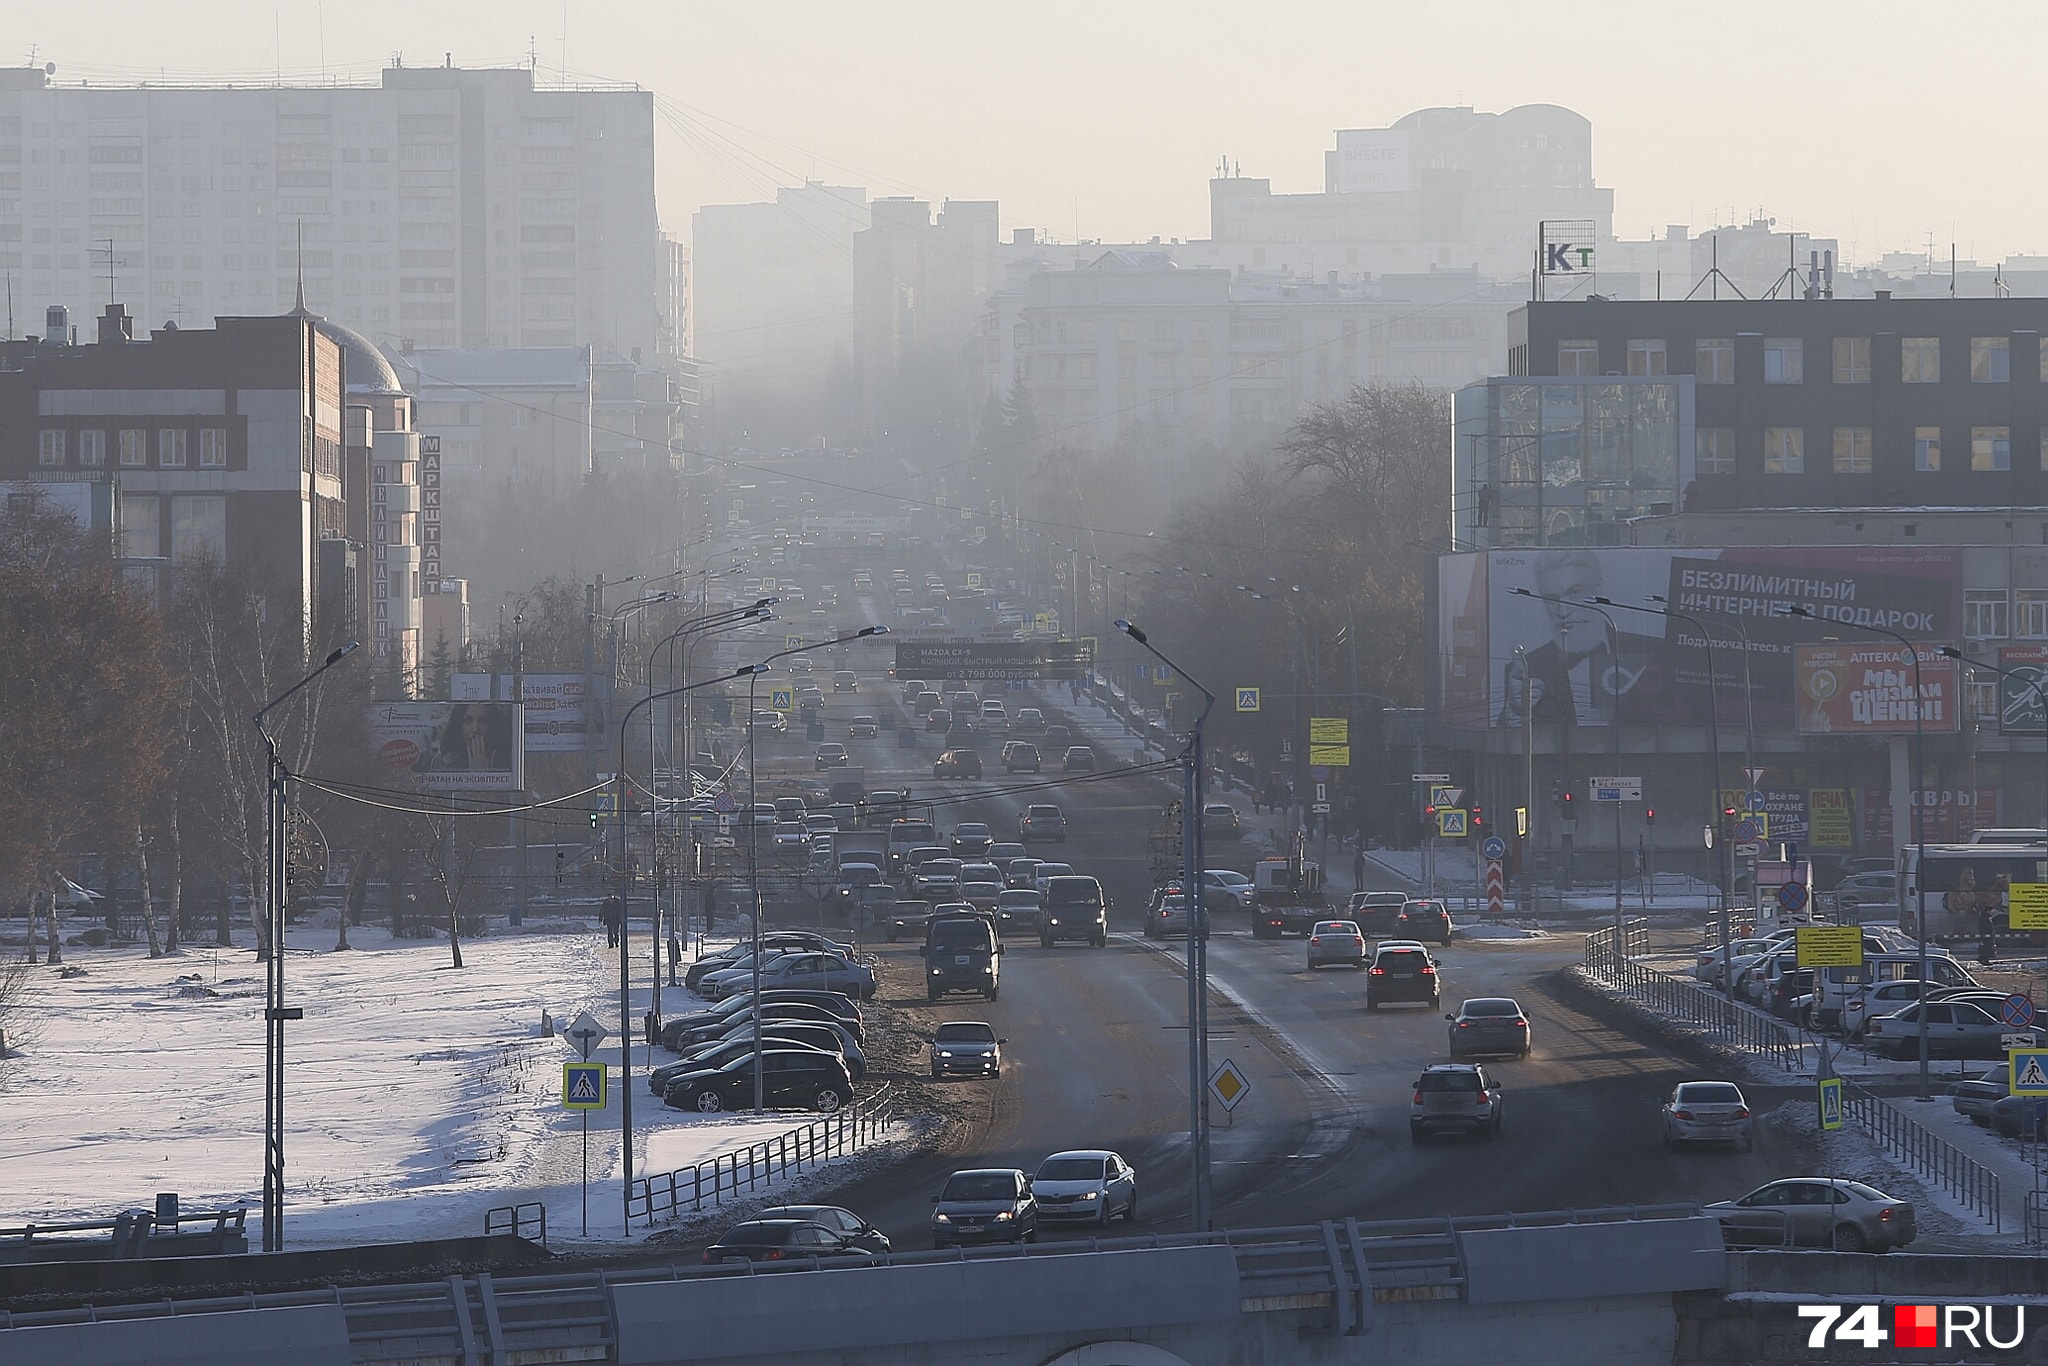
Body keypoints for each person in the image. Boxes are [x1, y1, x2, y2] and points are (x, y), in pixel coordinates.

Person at [1499, 549, 1638, 728]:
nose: (1563, 612)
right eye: (1550, 599)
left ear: (1598, 586)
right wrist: (1515, 712)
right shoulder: (1526, 670)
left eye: (1574, 593)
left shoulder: (1651, 652)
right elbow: (1503, 741)